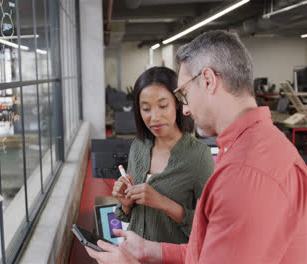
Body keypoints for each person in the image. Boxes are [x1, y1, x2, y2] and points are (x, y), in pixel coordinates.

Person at [86, 30, 307, 263]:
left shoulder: (245, 172)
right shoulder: (252, 148)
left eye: (184, 94)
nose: (186, 110)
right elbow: (210, 247)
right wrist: (152, 250)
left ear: (209, 81)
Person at [112, 66, 214, 244]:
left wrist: (163, 203)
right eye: (146, 109)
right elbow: (129, 216)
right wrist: (126, 203)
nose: (154, 117)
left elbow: (208, 228)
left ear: (177, 102)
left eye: (162, 105)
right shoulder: (138, 147)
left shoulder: (199, 156)